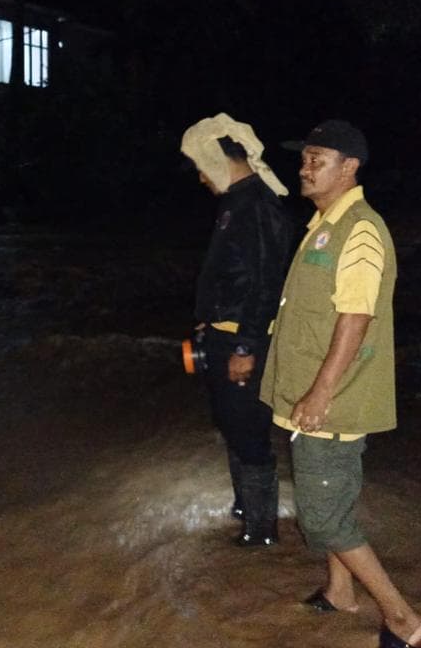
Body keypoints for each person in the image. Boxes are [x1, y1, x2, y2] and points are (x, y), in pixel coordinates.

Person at [259, 120, 421, 647]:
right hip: (316, 397)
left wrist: (320, 394)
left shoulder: (358, 229)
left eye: (319, 158)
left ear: (350, 167)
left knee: (323, 521)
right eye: (304, 158)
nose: (306, 167)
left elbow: (355, 316)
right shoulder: (326, 224)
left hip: (331, 403)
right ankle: (341, 591)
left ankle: (409, 624)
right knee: (332, 501)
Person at [181, 112, 293, 547]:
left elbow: (267, 283)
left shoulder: (258, 206)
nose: (200, 178)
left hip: (246, 339)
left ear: (216, 157)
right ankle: (246, 507)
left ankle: (262, 531)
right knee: (231, 422)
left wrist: (245, 346)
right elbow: (235, 275)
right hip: (225, 333)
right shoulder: (236, 202)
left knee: (248, 429)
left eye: (199, 166)